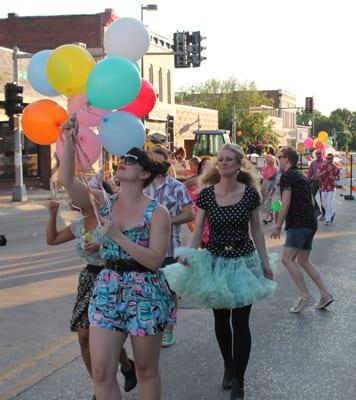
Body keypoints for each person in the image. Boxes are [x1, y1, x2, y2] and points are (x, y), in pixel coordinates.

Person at [59, 115, 176, 400]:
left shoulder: (157, 212)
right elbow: (66, 180)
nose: (121, 161)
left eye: (130, 160)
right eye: (121, 158)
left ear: (144, 174)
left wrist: (118, 237)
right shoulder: (102, 201)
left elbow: (154, 261)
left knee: (147, 370)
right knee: (101, 371)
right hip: (107, 286)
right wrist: (69, 142)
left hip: (145, 291)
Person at [164, 143, 276, 400]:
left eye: (228, 160)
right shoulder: (206, 195)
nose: (223, 163)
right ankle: (228, 364)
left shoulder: (250, 195)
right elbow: (197, 228)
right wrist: (189, 256)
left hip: (243, 262)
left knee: (241, 322)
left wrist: (264, 262)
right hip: (215, 261)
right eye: (220, 160)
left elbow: (256, 230)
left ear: (239, 165)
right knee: (221, 321)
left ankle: (239, 380)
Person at [46, 189, 137, 398]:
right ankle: (101, 385)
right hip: (89, 279)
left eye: (79, 195)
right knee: (84, 337)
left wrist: (101, 246)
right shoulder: (78, 225)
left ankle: (123, 367)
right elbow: (52, 239)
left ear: (96, 201)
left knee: (104, 335)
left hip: (110, 278)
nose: (73, 198)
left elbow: (126, 250)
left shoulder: (109, 223)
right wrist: (52, 215)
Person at [270, 147, 334, 313]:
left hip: (298, 224)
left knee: (287, 259)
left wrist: (278, 225)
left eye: (280, 157)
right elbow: (312, 202)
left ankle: (305, 296)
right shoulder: (301, 176)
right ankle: (324, 294)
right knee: (302, 260)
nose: (278, 159)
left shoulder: (287, 177)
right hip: (310, 222)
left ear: (287, 159)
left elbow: (286, 202)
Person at [146, 147, 194, 347]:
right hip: (144, 247)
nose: (153, 164)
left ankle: (169, 329)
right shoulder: (141, 187)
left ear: (165, 163)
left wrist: (167, 221)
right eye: (151, 160)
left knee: (169, 290)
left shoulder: (176, 187)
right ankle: (152, 325)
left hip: (169, 246)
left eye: (157, 160)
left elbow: (189, 214)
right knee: (148, 289)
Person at [318, 153, 340, 226]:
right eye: (327, 158)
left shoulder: (335, 168)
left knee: (328, 203)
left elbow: (338, 177)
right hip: (323, 187)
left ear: (332, 159)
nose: (328, 160)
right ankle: (332, 212)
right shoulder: (322, 166)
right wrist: (322, 173)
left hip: (331, 187)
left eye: (330, 158)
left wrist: (334, 178)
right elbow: (317, 175)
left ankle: (328, 220)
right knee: (324, 204)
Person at [307, 149, 326, 219]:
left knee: (322, 198)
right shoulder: (313, 163)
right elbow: (309, 173)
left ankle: (324, 213)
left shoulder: (325, 162)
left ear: (322, 154)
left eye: (319, 153)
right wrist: (307, 181)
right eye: (317, 153)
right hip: (314, 182)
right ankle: (317, 211)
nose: (318, 155)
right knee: (310, 196)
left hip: (322, 182)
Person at [261, 154, 277, 224]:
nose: (266, 161)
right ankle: (272, 216)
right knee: (268, 201)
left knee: (269, 201)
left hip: (272, 187)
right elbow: (264, 178)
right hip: (265, 186)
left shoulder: (275, 169)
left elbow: (274, 178)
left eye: (268, 160)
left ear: (272, 161)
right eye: (266, 160)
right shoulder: (265, 168)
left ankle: (266, 218)